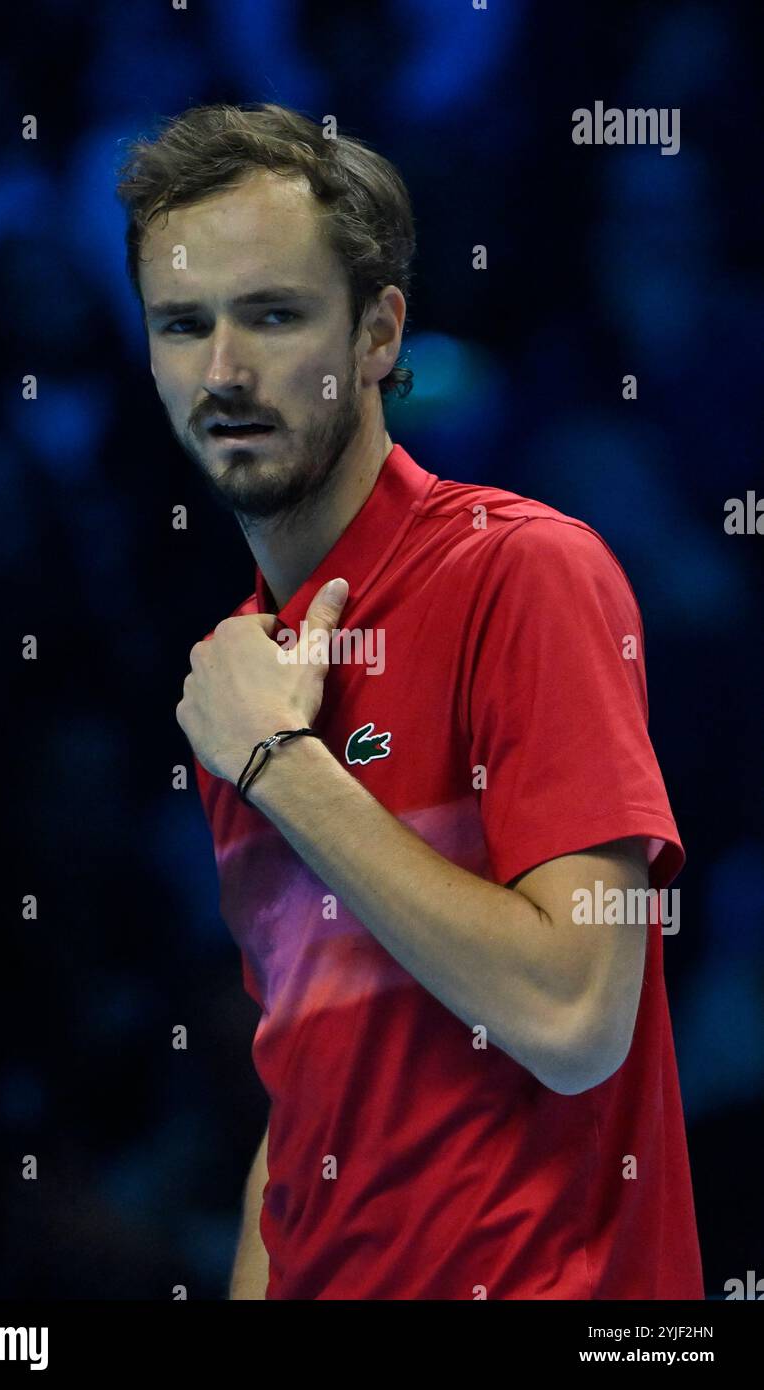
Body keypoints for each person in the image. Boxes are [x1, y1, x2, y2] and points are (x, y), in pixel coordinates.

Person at [116, 102, 704, 1301]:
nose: (222, 370)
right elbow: (317, 1089)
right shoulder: (240, 675)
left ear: (379, 330)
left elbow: (578, 1014)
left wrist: (285, 767)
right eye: (184, 325)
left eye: (274, 314)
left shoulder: (523, 572)